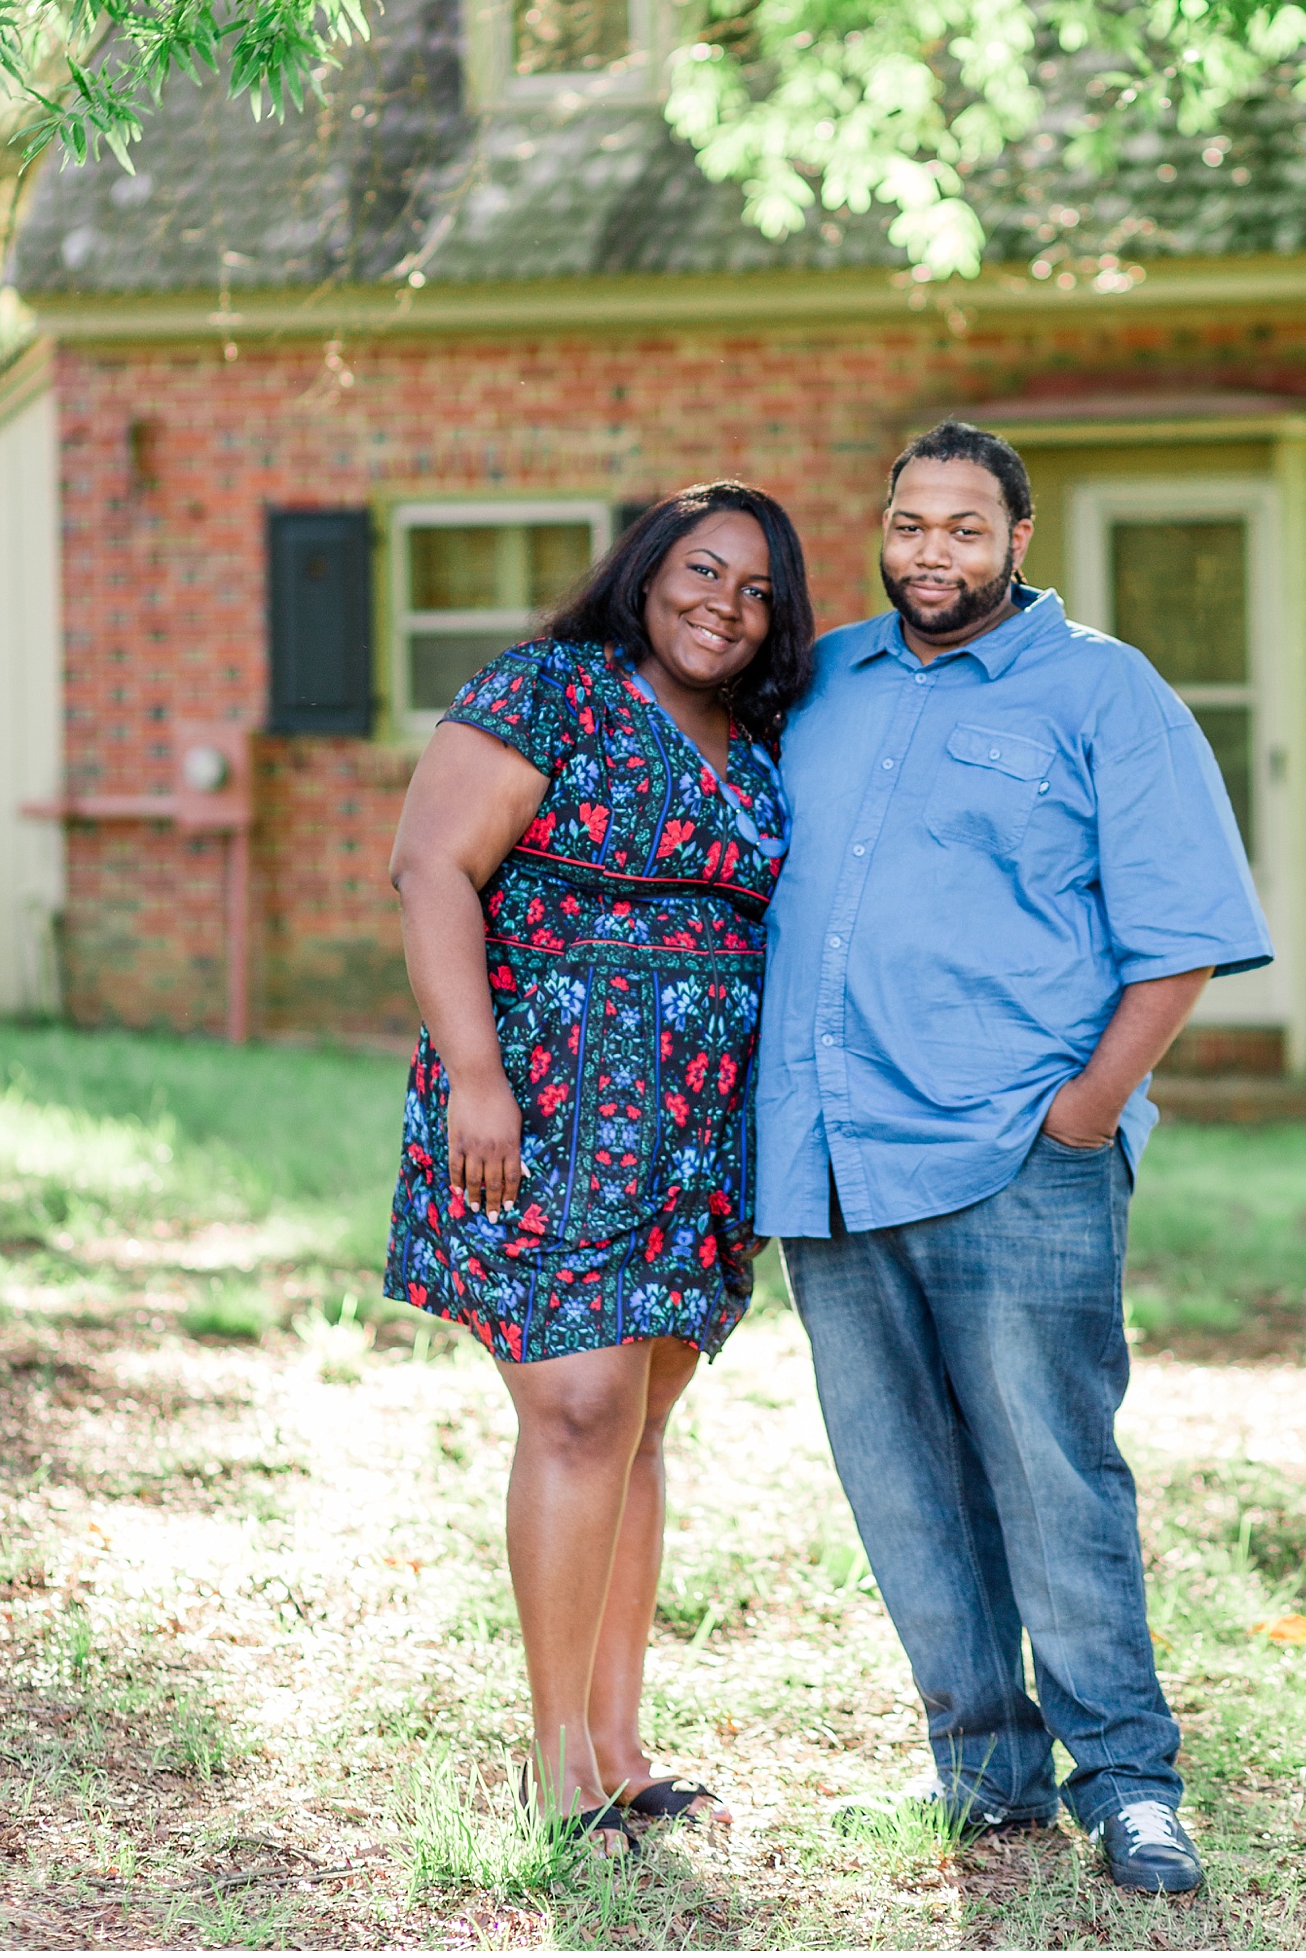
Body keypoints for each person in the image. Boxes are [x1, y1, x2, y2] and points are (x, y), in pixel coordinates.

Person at [755, 419, 1272, 1896]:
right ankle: (986, 1778)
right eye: (911, 523)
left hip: (1016, 1153)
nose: (932, 553)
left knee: (1055, 1478)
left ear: (1019, 538)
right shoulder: (827, 678)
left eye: (965, 528)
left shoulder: (1104, 690)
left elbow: (1182, 935)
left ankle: (1130, 1781)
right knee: (905, 1485)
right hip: (836, 1160)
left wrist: (1088, 1113)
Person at [384, 484, 813, 1856]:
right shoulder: (549, 690)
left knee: (634, 1425)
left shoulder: (759, 742)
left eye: (755, 591)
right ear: (645, 570)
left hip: (696, 1134)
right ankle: (555, 1763)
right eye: (703, 570)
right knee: (576, 1412)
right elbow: (431, 867)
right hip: (544, 1113)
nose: (725, 605)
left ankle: (619, 1748)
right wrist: (479, 1071)